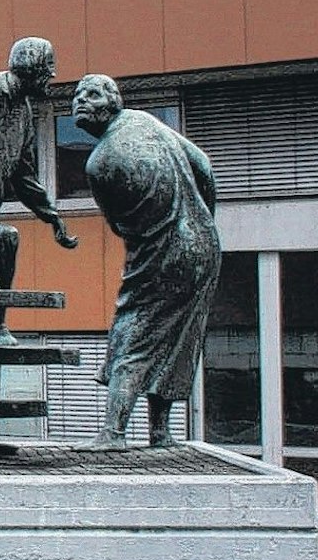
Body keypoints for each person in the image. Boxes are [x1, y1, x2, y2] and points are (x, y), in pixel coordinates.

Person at [71, 74, 221, 449]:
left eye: (90, 95)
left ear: (112, 101)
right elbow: (204, 167)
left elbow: (120, 226)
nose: (79, 102)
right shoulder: (146, 121)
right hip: (204, 245)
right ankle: (160, 431)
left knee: (133, 332)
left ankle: (113, 432)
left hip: (163, 252)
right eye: (76, 96)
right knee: (179, 336)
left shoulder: (99, 162)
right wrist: (203, 221)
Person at [0, 37, 81, 345]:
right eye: (48, 68)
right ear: (32, 69)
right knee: (7, 238)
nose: (52, 76)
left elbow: (24, 176)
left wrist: (53, 219)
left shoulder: (23, 112)